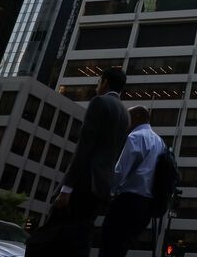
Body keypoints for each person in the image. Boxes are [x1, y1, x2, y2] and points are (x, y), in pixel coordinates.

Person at [54, 67, 130, 257]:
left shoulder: (99, 102)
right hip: (102, 186)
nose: (97, 87)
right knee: (82, 237)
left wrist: (66, 188)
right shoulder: (125, 113)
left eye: (98, 82)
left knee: (61, 234)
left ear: (104, 82)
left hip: (85, 181)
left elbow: (84, 148)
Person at [100, 105, 167, 257]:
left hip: (128, 200)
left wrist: (109, 192)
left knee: (109, 244)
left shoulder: (135, 137)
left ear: (136, 117)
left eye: (128, 119)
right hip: (146, 206)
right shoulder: (160, 142)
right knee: (122, 247)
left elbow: (121, 170)